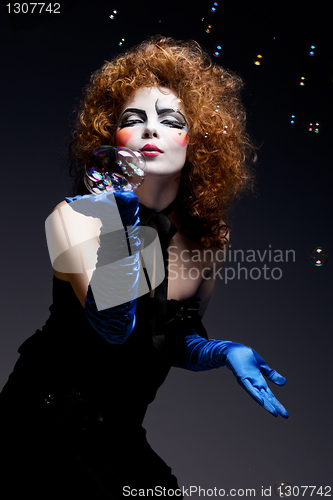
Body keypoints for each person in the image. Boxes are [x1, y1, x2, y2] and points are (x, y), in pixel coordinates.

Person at [0, 36, 288, 499]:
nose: (150, 130)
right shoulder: (73, 218)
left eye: (170, 121)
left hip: (119, 437)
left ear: (197, 142)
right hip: (41, 426)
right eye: (134, 121)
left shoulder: (210, 240)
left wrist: (222, 351)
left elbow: (168, 337)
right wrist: (122, 221)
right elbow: (114, 326)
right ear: (111, 139)